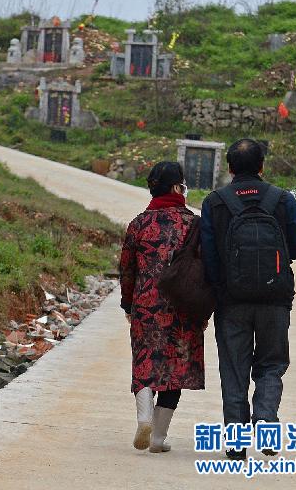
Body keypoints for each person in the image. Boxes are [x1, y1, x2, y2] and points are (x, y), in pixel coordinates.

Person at [200, 138, 296, 460]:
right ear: (262, 166)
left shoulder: (215, 201)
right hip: (275, 298)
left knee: (234, 369)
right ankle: (266, 421)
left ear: (230, 168)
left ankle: (235, 443)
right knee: (272, 365)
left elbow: (208, 256)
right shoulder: (282, 200)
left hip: (231, 301)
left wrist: (221, 288)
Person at [120, 161, 205, 453]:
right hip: (184, 306)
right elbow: (205, 267)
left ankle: (144, 418)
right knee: (174, 369)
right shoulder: (194, 223)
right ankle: (157, 438)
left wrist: (127, 303)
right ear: (176, 187)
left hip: (145, 304)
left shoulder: (139, 223)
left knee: (145, 362)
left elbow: (127, 269)